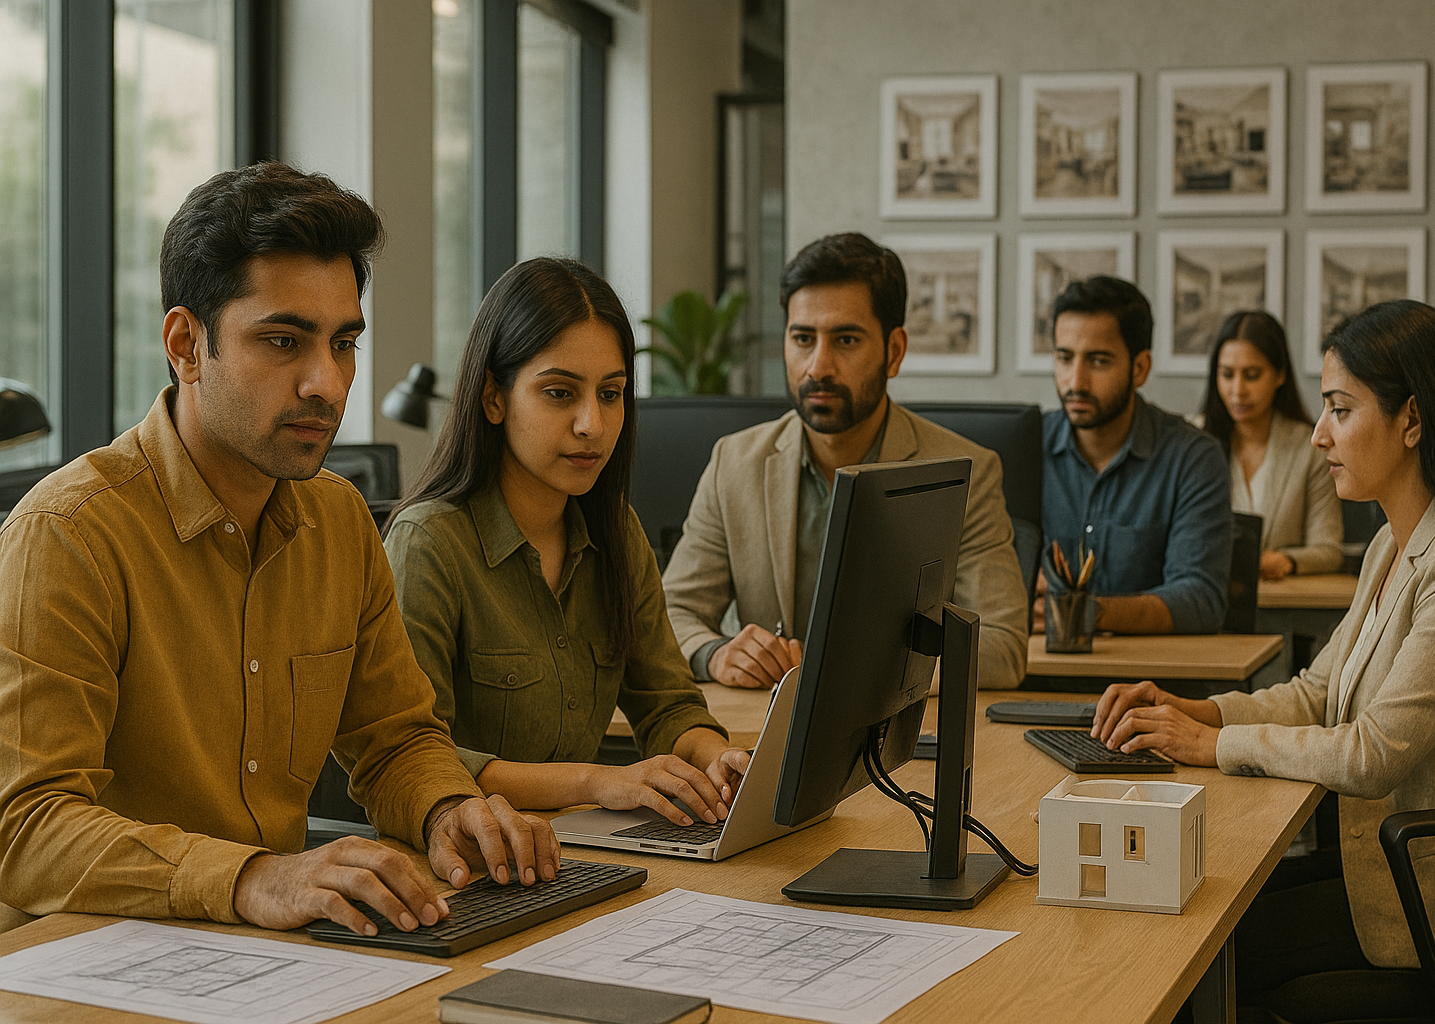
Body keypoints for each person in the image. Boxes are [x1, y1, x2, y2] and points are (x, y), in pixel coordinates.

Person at [0, 162, 560, 937]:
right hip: (94, 964)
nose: (326, 384)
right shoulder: (68, 535)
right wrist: (250, 878)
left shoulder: (338, 521)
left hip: (278, 961)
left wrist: (447, 808)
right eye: (283, 341)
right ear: (186, 344)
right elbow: (27, 829)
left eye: (343, 343)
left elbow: (395, 738)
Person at [1095, 299, 1435, 986]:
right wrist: (1199, 711)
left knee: (1195, 958)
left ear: (1412, 419)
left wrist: (1211, 747)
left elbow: (1373, 754)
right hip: (1382, 873)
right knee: (1189, 915)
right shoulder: (1392, 541)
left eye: (1340, 409)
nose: (1317, 436)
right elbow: (1319, 691)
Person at [385, 258, 750, 829]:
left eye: (611, 394)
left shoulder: (616, 533)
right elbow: (415, 760)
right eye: (560, 393)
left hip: (578, 852)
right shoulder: (429, 543)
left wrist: (717, 758)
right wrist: (598, 780)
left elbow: (668, 705)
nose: (592, 425)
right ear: (493, 398)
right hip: (464, 865)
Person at [663, 233, 1031, 690]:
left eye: (846, 339)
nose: (818, 366)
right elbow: (672, 614)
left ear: (894, 351)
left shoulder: (967, 472)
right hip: (760, 735)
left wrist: (864, 679)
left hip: (896, 747)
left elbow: (1004, 648)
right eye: (802, 338)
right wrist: (715, 653)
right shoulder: (734, 463)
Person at [1042, 276, 1231, 634]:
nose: (1075, 381)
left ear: (1140, 368)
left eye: (1098, 361)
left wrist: (1082, 612)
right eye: (1064, 358)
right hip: (1030, 674)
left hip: (1150, 678)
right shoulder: (1024, 447)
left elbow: (1201, 599)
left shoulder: (1194, 457)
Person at [1197, 310, 1342, 579]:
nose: (1238, 390)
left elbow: (1329, 550)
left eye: (1251, 375)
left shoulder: (1310, 446)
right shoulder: (1193, 440)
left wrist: (1286, 560)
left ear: (1279, 374)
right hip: (1203, 604)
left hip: (1282, 605)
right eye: (1227, 375)